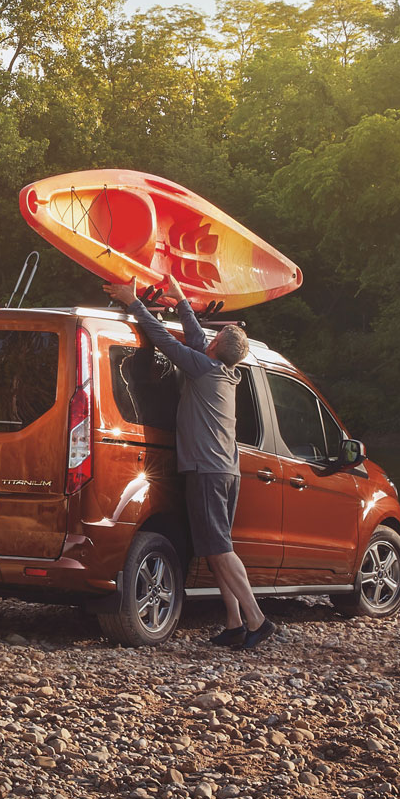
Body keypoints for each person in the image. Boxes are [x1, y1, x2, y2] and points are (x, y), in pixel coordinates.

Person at [102, 275, 276, 650]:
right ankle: (234, 623)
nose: (207, 340)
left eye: (212, 338)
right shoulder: (224, 370)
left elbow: (166, 342)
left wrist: (135, 303)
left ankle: (257, 619)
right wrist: (180, 299)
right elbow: (195, 338)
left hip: (208, 472)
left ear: (216, 345)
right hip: (223, 471)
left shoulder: (204, 368)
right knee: (214, 547)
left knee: (221, 549)